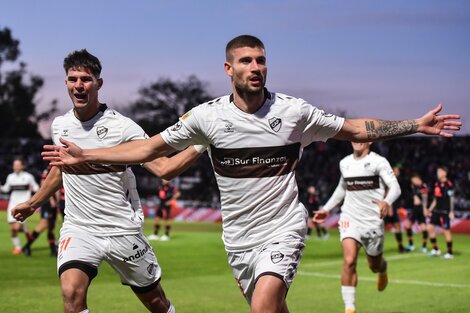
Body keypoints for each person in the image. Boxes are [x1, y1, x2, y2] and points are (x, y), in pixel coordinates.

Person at [40, 35, 461, 313]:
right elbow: (150, 149)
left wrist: (412, 125)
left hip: (283, 227)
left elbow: (353, 128)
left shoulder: (294, 113)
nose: (255, 67)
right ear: (229, 69)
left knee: (263, 309)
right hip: (238, 238)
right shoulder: (206, 117)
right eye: (246, 61)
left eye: (261, 60)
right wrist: (82, 156)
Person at [11, 49, 203, 313]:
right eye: (73, 79)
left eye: (86, 79)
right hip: (80, 228)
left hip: (121, 229)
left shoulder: (123, 127)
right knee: (71, 293)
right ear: (66, 82)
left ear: (98, 84)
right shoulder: (60, 126)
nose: (79, 85)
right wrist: (34, 203)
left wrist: (202, 144)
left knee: (156, 302)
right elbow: (60, 169)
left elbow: (164, 168)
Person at [314, 142, 401, 313]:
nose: (357, 140)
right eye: (355, 137)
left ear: (369, 141)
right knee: (349, 260)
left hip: (372, 222)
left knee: (374, 266)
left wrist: (387, 201)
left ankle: (383, 269)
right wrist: (326, 209)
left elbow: (395, 187)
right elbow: (341, 188)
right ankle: (349, 307)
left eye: (362, 137)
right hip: (349, 218)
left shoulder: (379, 162)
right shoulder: (345, 163)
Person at [1, 158, 39, 255]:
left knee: (16, 228)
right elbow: (6, 189)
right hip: (12, 204)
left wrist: (32, 189)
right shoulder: (10, 177)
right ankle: (18, 247)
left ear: (22, 166)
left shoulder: (28, 177)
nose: (16, 167)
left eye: (18, 165)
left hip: (24, 205)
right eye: (15, 165)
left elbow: (36, 188)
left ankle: (23, 236)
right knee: (12, 229)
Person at [22, 165, 60, 257]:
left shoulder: (58, 166)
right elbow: (44, 185)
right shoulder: (49, 169)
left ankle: (52, 250)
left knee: (51, 226)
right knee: (44, 224)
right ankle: (27, 245)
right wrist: (51, 199)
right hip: (48, 203)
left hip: (54, 203)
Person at [427, 166, 455, 259]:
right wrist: (430, 209)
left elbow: (452, 198)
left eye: (439, 172)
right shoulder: (437, 184)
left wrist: (451, 211)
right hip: (436, 211)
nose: (437, 173)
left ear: (444, 173)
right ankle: (436, 249)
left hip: (445, 211)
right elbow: (435, 199)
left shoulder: (449, 184)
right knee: (429, 228)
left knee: (446, 231)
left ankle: (450, 253)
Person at [384, 166, 408, 253]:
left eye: (397, 171)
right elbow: (386, 194)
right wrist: (389, 208)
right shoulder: (388, 181)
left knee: (398, 226)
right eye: (394, 171)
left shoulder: (397, 182)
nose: (396, 173)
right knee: (378, 228)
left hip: (394, 207)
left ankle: (401, 247)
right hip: (387, 208)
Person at [403, 173, 429, 253]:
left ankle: (424, 247)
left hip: (420, 208)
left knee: (423, 227)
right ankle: (411, 245)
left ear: (417, 179)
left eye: (413, 180)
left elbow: (425, 197)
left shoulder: (423, 186)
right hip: (415, 209)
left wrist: (425, 208)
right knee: (408, 226)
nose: (413, 182)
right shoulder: (415, 187)